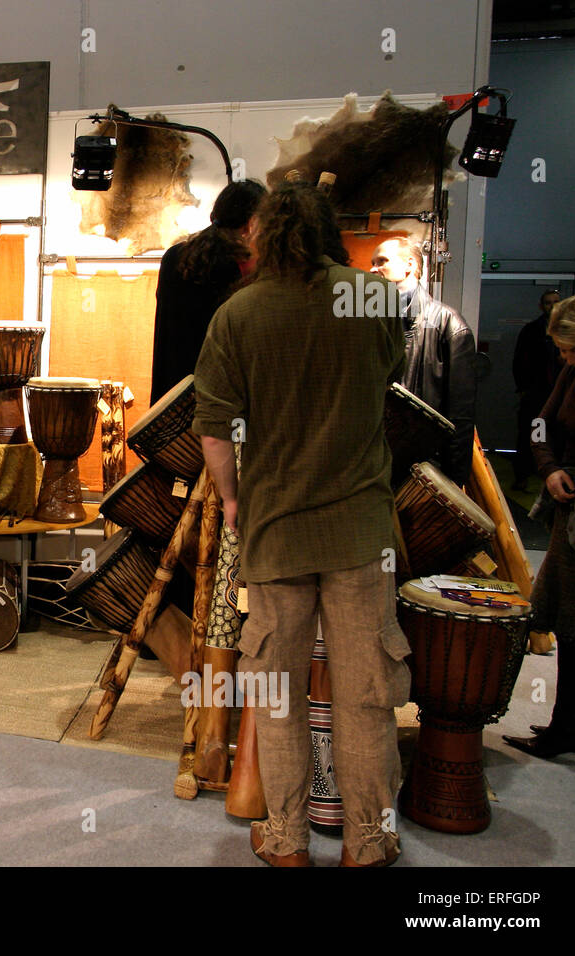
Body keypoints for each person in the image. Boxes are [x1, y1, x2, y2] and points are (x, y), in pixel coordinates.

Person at [195, 183, 409, 867]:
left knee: (277, 695)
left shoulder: (239, 313)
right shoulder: (371, 298)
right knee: (366, 698)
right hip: (359, 533)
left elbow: (217, 434)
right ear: (327, 232)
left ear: (260, 236)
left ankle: (286, 838)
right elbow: (387, 383)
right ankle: (367, 842)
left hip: (275, 531)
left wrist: (232, 501)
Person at [503, 294, 575, 760]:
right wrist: (550, 466)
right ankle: (569, 725)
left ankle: (568, 731)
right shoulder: (573, 373)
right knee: (565, 619)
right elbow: (540, 426)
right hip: (569, 507)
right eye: (563, 350)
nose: (567, 358)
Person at [370, 237, 478, 484]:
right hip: (377, 464)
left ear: (409, 265)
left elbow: (460, 417)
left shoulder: (449, 325)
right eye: (372, 263)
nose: (373, 269)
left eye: (382, 261)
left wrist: (452, 482)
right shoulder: (373, 322)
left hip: (424, 468)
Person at [150, 180, 266, 402]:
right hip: (215, 399)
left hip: (171, 398)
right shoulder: (240, 269)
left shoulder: (174, 256)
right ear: (250, 224)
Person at [512, 290, 564, 489]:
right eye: (548, 302)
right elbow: (520, 361)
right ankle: (523, 475)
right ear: (542, 306)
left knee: (554, 436)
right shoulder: (532, 330)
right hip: (537, 394)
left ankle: (550, 474)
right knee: (532, 434)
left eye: (556, 302)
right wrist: (524, 388)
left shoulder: (567, 330)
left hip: (557, 395)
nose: (552, 306)